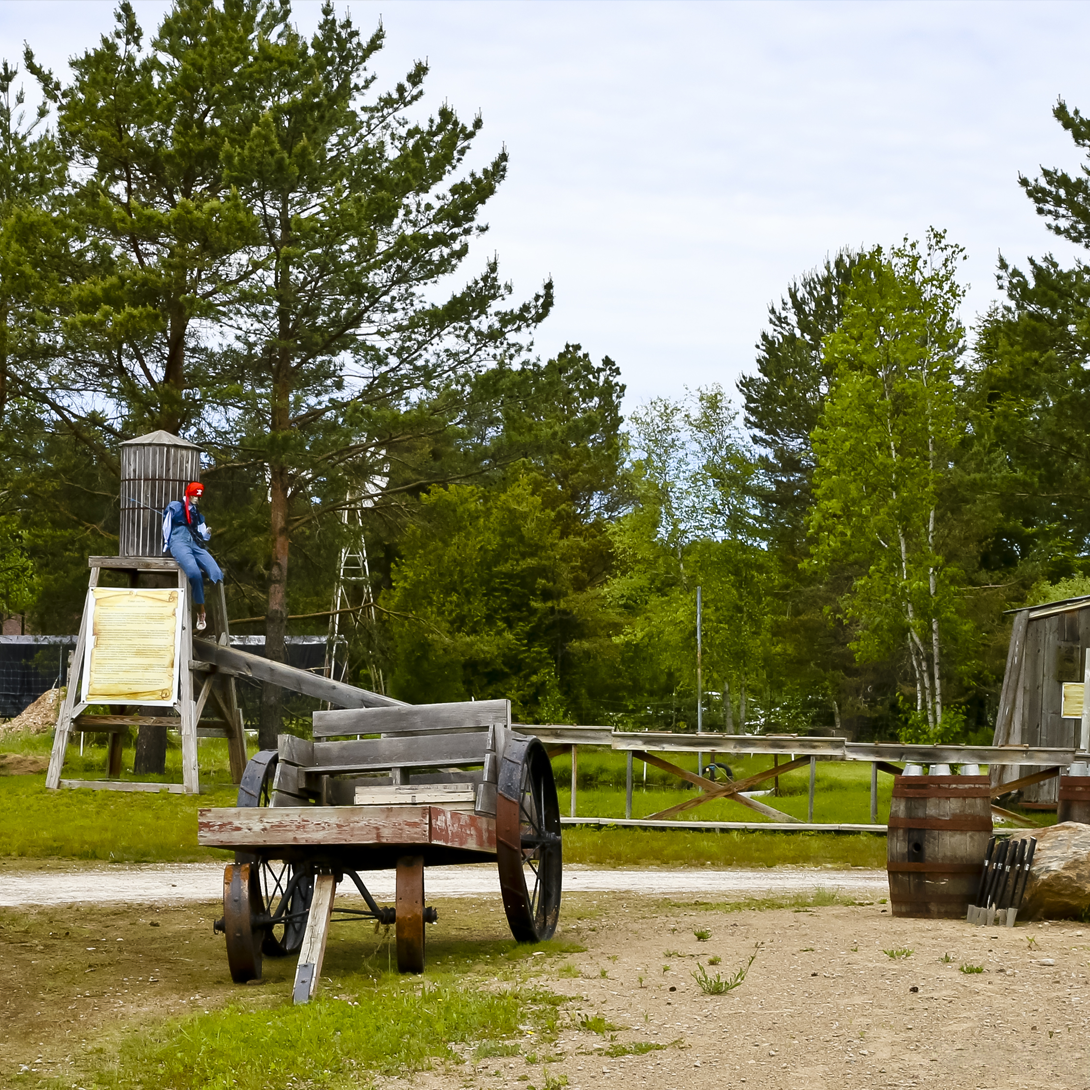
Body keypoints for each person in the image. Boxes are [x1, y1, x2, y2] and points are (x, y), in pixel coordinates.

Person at [162, 481, 223, 633]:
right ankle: (200, 610)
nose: (196, 499)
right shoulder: (175, 507)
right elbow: (166, 526)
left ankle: (216, 611)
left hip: (194, 543)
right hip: (179, 542)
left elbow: (202, 534)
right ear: (188, 494)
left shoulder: (196, 513)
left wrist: (207, 533)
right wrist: (167, 544)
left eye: (198, 497)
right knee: (194, 573)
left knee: (216, 572)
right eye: (194, 496)